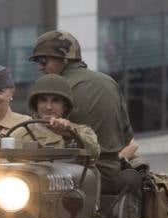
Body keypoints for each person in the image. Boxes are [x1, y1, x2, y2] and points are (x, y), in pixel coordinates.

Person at [28, 31, 136, 193]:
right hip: (109, 174)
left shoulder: (54, 90)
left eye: (43, 60)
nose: (40, 67)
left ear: (63, 59)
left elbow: (37, 134)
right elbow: (126, 136)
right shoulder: (109, 82)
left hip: (68, 177)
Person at [12, 74, 101, 159]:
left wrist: (69, 134)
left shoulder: (82, 131)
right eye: (43, 100)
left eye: (55, 101)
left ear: (65, 106)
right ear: (36, 104)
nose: (48, 107)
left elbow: (94, 152)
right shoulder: (20, 134)